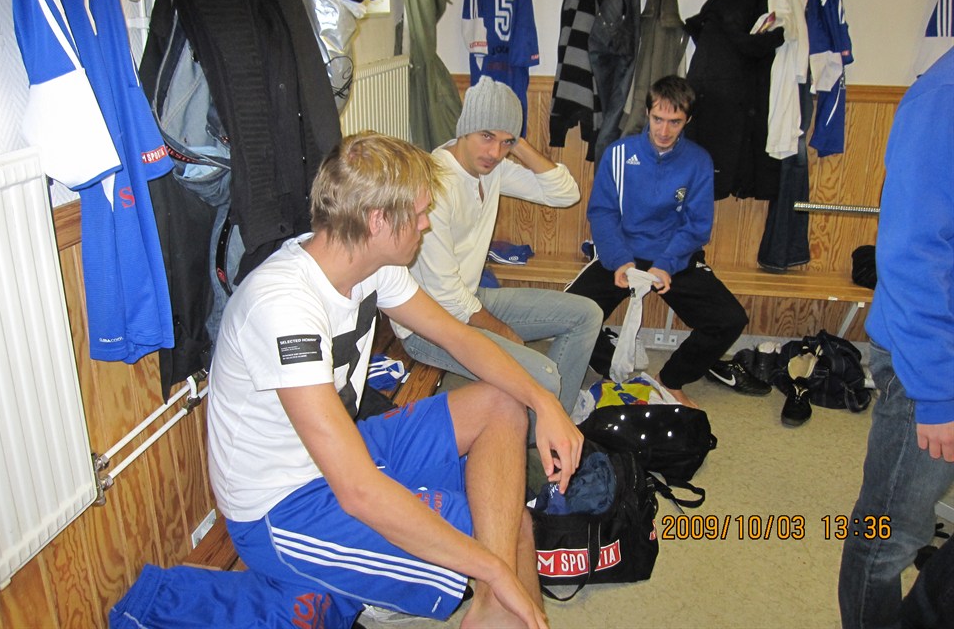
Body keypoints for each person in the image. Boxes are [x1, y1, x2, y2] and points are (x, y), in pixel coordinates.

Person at [206, 132, 584, 629]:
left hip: (341, 452)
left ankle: (489, 606)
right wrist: (492, 569)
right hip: (283, 509)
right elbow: (358, 491)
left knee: (501, 405)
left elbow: (459, 337)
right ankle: (484, 599)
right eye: (420, 213)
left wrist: (544, 402)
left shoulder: (367, 262)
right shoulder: (282, 307)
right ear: (378, 220)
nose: (426, 224)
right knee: (506, 531)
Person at [393, 76, 602, 419]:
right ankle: (547, 429)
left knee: (587, 315)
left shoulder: (492, 169)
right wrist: (503, 332)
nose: (494, 153)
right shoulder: (435, 184)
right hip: (428, 324)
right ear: (465, 129)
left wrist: (517, 143)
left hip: (470, 297)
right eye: (486, 136)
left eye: (506, 142)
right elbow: (446, 296)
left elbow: (565, 193)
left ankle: (551, 425)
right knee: (544, 374)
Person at [838, 47, 954, 629]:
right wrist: (937, 394)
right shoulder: (942, 99)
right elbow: (911, 256)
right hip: (929, 365)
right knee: (887, 537)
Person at [565, 75, 749, 408]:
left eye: (674, 122)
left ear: (687, 120)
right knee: (568, 312)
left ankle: (670, 381)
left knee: (729, 319)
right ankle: (619, 377)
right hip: (622, 254)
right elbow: (603, 213)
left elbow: (696, 226)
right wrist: (620, 260)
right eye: (658, 119)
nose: (664, 130)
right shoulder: (618, 153)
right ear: (647, 113)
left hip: (672, 256)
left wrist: (666, 265)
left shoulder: (698, 161)